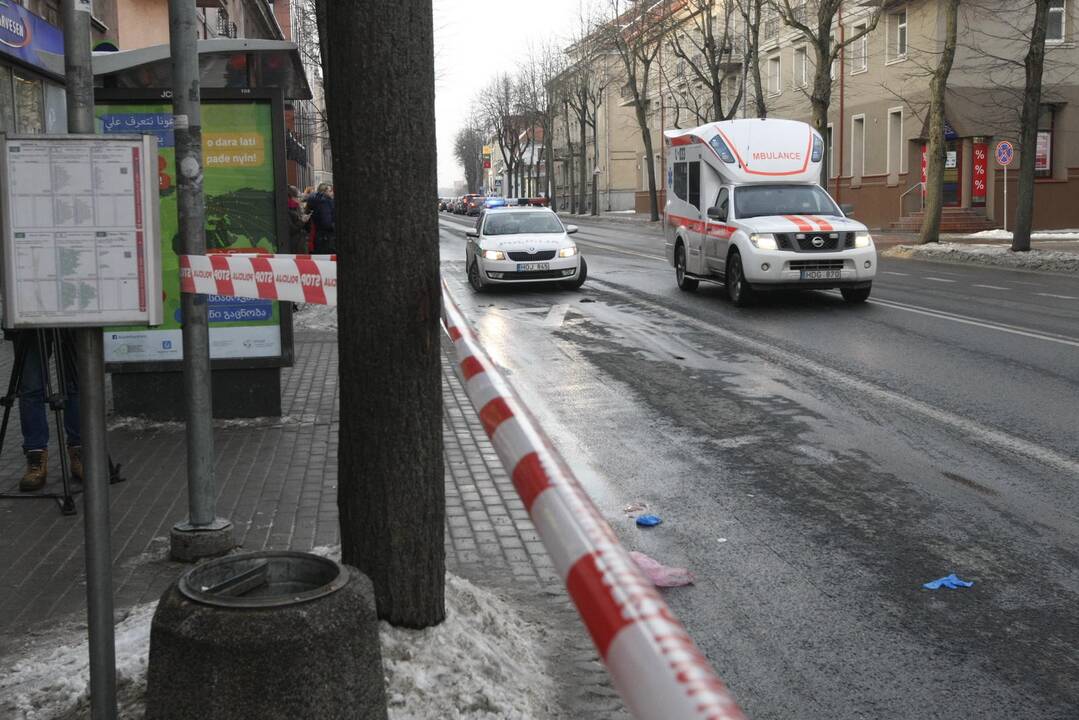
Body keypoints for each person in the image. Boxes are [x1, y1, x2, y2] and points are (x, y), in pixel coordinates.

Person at [13, 331, 82, 492]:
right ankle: (35, 456)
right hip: (28, 320)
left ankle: (79, 451)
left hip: (73, 316)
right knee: (31, 388)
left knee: (76, 384)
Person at [305, 183, 336, 254]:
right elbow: (327, 222)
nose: (332, 193)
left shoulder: (315, 201)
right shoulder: (325, 202)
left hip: (317, 236)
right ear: (325, 191)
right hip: (327, 237)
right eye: (330, 191)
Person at [287, 185, 308, 253]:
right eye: (297, 197)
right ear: (291, 197)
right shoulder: (288, 209)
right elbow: (291, 229)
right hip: (294, 243)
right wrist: (302, 221)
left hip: (299, 241)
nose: (299, 199)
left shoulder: (296, 207)